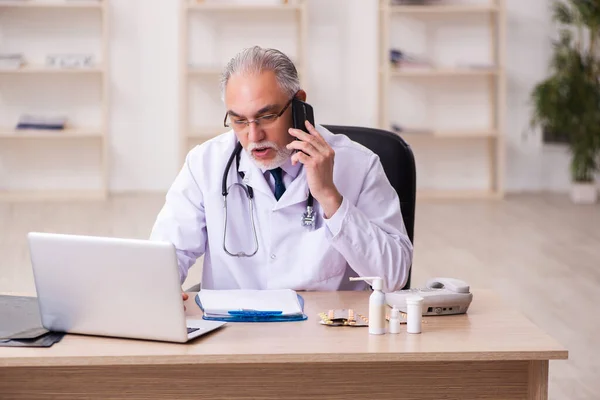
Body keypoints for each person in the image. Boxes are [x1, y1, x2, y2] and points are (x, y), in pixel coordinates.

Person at [150, 46, 413, 295]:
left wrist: (330, 198)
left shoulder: (359, 165)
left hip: (327, 332)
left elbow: (394, 276)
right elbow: (167, 255)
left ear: (299, 103)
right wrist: (162, 290)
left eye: (267, 116)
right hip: (232, 330)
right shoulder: (205, 164)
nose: (253, 135)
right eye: (239, 120)